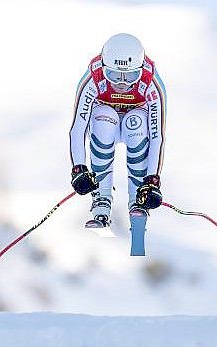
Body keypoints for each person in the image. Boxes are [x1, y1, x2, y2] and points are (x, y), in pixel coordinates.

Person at [68, 33, 167, 230]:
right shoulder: (93, 78)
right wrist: (78, 169)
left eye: (130, 76)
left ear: (140, 70)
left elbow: (158, 137)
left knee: (136, 121)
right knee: (104, 117)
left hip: (135, 125)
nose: (122, 83)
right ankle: (101, 198)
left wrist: (153, 180)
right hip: (106, 124)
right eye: (113, 74)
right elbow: (77, 129)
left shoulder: (150, 82)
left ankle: (138, 197)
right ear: (104, 68)